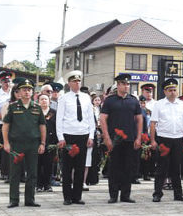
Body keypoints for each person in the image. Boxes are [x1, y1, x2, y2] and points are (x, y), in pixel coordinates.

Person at [2, 77, 46, 208]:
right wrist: (6, 143)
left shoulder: (37, 108)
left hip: (33, 144)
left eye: (29, 90)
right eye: (24, 90)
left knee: (32, 173)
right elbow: (6, 125)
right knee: (15, 173)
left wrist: (42, 143)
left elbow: (42, 126)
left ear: (32, 92)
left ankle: (29, 199)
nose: (27, 92)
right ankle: (14, 199)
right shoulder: (13, 107)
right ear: (19, 92)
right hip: (16, 144)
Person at [101, 73, 143, 204]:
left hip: (130, 138)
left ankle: (125, 194)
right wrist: (106, 137)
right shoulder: (110, 100)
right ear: (118, 85)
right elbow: (103, 118)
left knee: (128, 168)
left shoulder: (133, 100)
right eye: (124, 84)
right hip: (114, 139)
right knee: (114, 168)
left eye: (128, 84)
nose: (127, 86)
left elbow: (139, 119)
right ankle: (113, 195)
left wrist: (139, 137)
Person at [56, 70, 95, 205]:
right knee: (67, 168)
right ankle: (67, 196)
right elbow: (59, 119)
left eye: (79, 81)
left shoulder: (86, 97)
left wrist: (91, 136)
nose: (77, 83)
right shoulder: (64, 98)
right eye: (74, 81)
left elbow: (91, 118)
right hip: (68, 135)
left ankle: (77, 196)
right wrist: (61, 137)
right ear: (69, 83)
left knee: (80, 167)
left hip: (83, 135)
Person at [150, 77, 183, 203]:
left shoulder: (182, 104)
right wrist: (152, 140)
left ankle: (178, 194)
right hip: (164, 139)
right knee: (161, 167)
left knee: (176, 168)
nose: (173, 92)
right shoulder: (159, 104)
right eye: (170, 90)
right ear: (165, 91)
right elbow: (153, 123)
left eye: (174, 90)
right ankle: (157, 193)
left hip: (178, 139)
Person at [37, 94, 58, 193]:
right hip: (38, 141)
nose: (44, 101)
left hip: (51, 142)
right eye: (41, 99)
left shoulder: (54, 113)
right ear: (38, 101)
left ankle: (47, 184)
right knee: (38, 164)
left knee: (49, 164)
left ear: (49, 101)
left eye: (46, 99)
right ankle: (39, 184)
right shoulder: (36, 112)